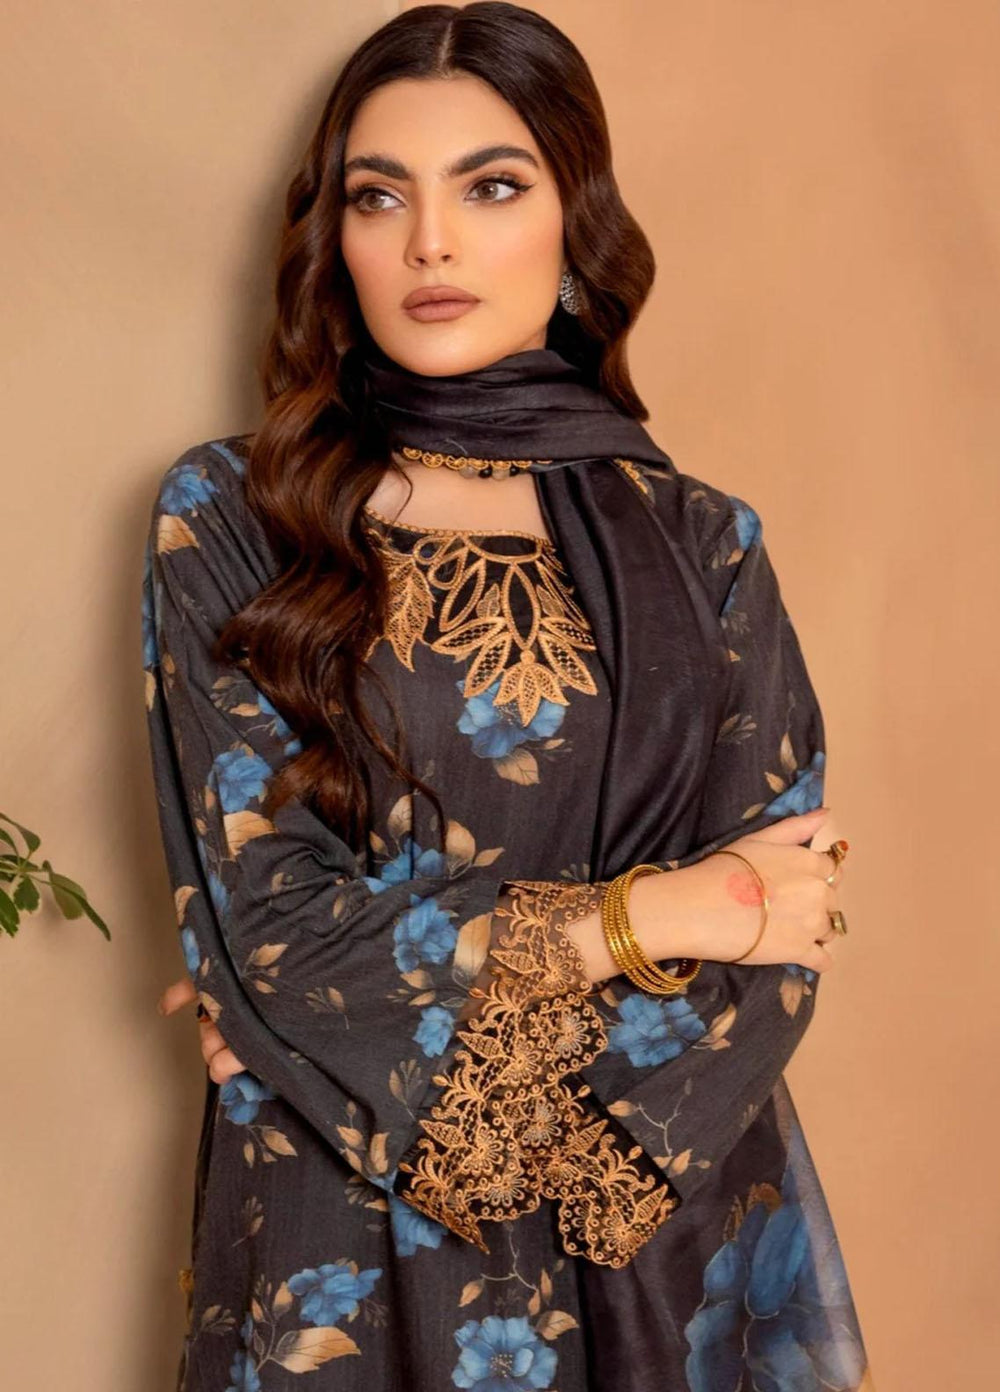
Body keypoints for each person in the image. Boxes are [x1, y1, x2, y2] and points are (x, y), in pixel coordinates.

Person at [144, 4, 873, 1389]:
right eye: (380, 196)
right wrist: (652, 914)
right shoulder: (240, 515)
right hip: (344, 1222)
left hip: (653, 1217)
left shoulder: (706, 546)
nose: (431, 242)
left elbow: (777, 932)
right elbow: (275, 931)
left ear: (572, 223)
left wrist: (336, 1022)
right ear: (334, 239)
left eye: (490, 186)